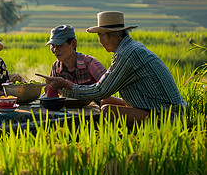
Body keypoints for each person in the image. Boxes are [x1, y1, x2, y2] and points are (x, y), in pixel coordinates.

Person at [41, 11, 187, 127]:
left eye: (100, 35)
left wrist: (66, 85)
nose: (99, 41)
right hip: (151, 107)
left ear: (110, 36)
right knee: (105, 103)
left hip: (167, 116)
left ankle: (114, 143)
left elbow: (100, 91)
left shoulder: (128, 54)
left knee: (107, 111)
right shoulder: (130, 49)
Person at [43, 25, 106, 98]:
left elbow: (107, 86)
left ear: (73, 43)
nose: (55, 50)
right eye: (52, 46)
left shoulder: (90, 63)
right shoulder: (56, 67)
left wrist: (67, 85)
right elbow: (51, 95)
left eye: (59, 45)